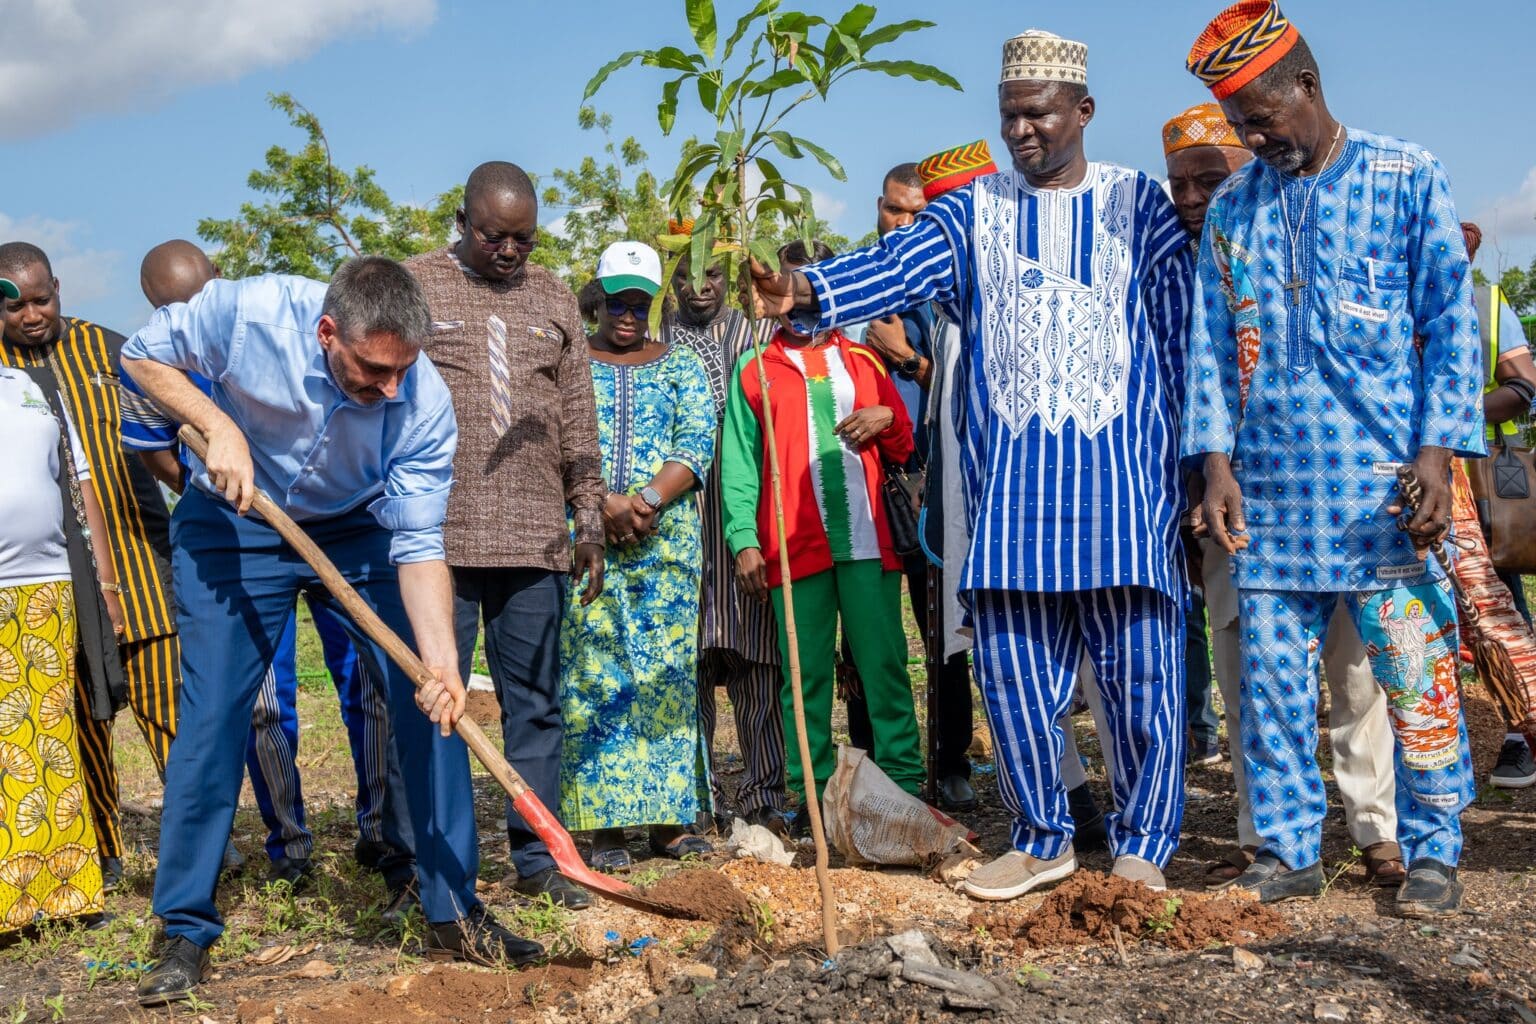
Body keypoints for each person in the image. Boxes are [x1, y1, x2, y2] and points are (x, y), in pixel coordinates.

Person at [750, 30, 1193, 898]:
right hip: (1015, 499)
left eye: (1038, 114)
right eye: (1009, 117)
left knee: (1140, 671)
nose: (1022, 131)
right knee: (1013, 670)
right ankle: (1042, 837)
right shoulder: (970, 212)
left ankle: (1144, 841)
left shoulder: (1140, 207)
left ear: (1083, 112)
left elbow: (1181, 343)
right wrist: (804, 294)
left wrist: (1192, 466)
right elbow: (890, 266)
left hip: (1125, 493)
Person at [123, 256, 542, 1007]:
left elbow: (417, 546)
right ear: (326, 332)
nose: (389, 388)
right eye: (373, 369)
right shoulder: (249, 314)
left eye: (400, 372)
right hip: (235, 519)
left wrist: (440, 661)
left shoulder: (423, 401)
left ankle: (453, 910)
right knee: (215, 716)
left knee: (430, 701)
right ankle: (183, 926)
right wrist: (219, 426)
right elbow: (140, 355)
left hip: (359, 527)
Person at [1184, 1, 1483, 916]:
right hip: (1269, 500)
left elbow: (1448, 326)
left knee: (1416, 680)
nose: (1252, 139)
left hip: (1386, 496)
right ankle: (1286, 853)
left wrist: (1437, 456)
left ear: (1306, 87)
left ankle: (1434, 849)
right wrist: (1216, 467)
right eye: (1240, 127)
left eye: (1261, 121)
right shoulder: (1232, 208)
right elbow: (1207, 347)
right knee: (1272, 695)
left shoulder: (1406, 175)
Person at [123, 240, 416, 897]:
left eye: (197, 297)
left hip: (342, 527)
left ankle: (390, 841)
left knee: (378, 683)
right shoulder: (156, 359)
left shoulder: (257, 325)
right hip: (238, 530)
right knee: (246, 706)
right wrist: (221, 470)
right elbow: (157, 456)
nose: (186, 314)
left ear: (219, 284)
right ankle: (281, 851)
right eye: (172, 307)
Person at [1161, 106, 1404, 890]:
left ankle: (1376, 830)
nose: (1193, 197)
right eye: (1180, 184)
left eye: (1211, 177)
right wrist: (1199, 483)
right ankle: (1270, 836)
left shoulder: (1307, 231)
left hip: (1343, 495)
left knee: (1355, 669)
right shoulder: (1164, 271)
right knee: (1250, 673)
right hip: (1234, 509)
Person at [403, 162, 604, 908]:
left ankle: (540, 859)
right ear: (463, 222)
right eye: (494, 236)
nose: (510, 251)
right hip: (438, 542)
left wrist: (589, 519)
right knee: (438, 706)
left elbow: (578, 416)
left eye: (523, 238)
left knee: (536, 706)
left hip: (535, 542)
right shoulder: (416, 285)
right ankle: (437, 867)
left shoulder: (555, 297)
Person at [0, 242, 182, 892]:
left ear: (58, 287)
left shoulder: (113, 352)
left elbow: (169, 432)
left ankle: (199, 841)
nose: (29, 315)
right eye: (14, 304)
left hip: (140, 566)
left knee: (169, 710)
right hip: (52, 583)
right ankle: (104, 849)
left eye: (41, 298)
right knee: (82, 720)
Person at [725, 238, 926, 814]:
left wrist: (888, 415)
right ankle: (807, 796)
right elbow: (741, 461)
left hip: (869, 542)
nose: (799, 296)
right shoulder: (755, 369)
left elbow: (904, 443)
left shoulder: (864, 360)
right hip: (792, 546)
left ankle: (903, 791)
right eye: (790, 284)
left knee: (883, 665)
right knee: (804, 674)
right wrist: (744, 538)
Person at [560, 241, 715, 868]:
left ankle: (668, 822)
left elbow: (696, 438)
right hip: (589, 541)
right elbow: (560, 443)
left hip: (666, 545)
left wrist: (647, 500)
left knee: (666, 675)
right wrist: (602, 505)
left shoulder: (682, 363)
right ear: (597, 298)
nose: (627, 314)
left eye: (639, 303)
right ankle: (605, 827)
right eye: (616, 301)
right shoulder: (571, 368)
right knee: (596, 674)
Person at [841, 163, 978, 813]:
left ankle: (951, 761)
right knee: (864, 630)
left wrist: (906, 360)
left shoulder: (943, 284)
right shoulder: (858, 281)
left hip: (933, 478)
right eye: (896, 211)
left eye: (919, 215)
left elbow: (964, 383)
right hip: (864, 478)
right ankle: (865, 758)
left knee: (944, 630)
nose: (905, 224)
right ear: (878, 207)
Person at [661, 226, 788, 833]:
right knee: (688, 673)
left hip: (746, 526)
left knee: (758, 666)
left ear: (729, 279)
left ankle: (764, 795)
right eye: (687, 275)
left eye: (712, 275)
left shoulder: (761, 335)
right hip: (679, 533)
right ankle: (697, 799)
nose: (699, 287)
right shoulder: (656, 340)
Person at [0, 293, 109, 933]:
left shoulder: (31, 385)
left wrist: (103, 581)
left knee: (49, 737)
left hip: (45, 582)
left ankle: (64, 893)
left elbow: (77, 479)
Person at [1452, 222, 1536, 789]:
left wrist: (1454, 417)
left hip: (1476, 479)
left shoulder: (1486, 302)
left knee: (1497, 601)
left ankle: (1518, 740)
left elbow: (1525, 387)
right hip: (1386, 483)